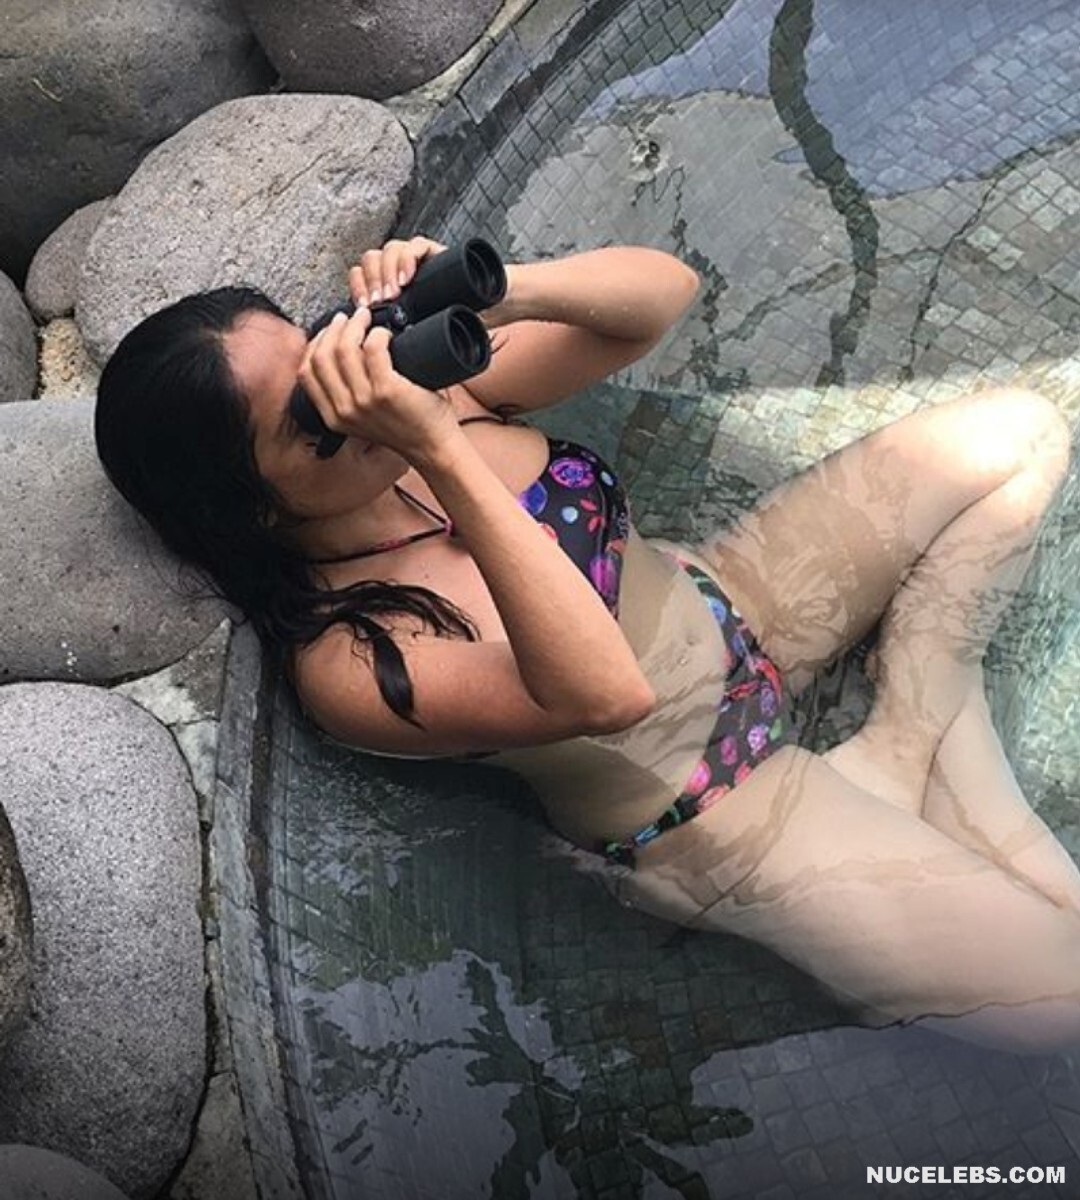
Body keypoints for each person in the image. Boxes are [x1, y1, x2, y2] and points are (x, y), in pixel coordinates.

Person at [95, 236, 1080, 1054]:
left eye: (323, 360)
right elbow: (606, 695)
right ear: (252, 507)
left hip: (740, 599)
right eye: (309, 416)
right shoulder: (352, 658)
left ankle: (914, 714)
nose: (353, 399)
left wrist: (498, 290)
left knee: (1019, 432)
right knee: (1064, 1001)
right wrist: (435, 444)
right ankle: (919, 749)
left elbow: (662, 296)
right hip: (721, 808)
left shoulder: (441, 404)